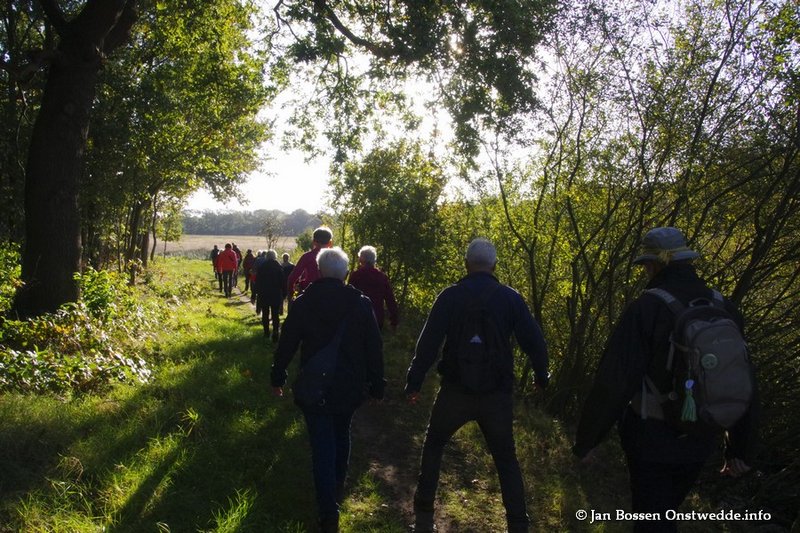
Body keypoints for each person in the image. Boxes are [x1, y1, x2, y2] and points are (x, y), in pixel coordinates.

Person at [573, 227, 758, 532]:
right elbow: (742, 379)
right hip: (702, 436)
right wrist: (740, 448)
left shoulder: (646, 309)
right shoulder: (724, 307)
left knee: (651, 520)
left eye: (646, 265)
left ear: (654, 265)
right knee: (666, 513)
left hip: (652, 439)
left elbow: (615, 381)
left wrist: (588, 440)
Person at [405, 238, 549, 533]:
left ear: (466, 264)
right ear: (494, 266)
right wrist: (541, 375)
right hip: (496, 395)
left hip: (455, 391)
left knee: (434, 444)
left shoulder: (450, 297)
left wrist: (414, 381)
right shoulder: (510, 299)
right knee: (506, 458)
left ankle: (424, 512)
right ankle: (518, 524)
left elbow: (428, 343)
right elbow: (535, 342)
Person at [271, 247, 385, 532]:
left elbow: (287, 343)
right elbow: (374, 347)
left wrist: (278, 376)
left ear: (320, 271)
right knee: (342, 435)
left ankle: (328, 509)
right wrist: (377, 385)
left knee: (322, 445)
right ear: (345, 273)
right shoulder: (361, 303)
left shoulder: (304, 302)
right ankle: (335, 490)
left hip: (315, 386)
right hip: (349, 385)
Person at [348, 245, 399, 331]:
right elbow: (390, 299)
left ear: (361, 259)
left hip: (358, 317)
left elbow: (349, 297)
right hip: (377, 318)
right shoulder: (381, 277)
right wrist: (394, 320)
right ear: (374, 260)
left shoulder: (356, 275)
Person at [286, 226, 333, 302]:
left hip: (309, 294)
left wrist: (291, 294)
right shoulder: (335, 257)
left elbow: (292, 278)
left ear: (314, 241)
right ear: (330, 243)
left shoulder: (307, 257)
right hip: (329, 295)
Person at [255, 250, 285, 341]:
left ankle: (266, 332)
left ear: (267, 257)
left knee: (265, 313)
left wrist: (256, 293)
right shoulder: (278, 267)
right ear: (275, 256)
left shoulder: (262, 267)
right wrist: (283, 294)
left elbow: (258, 281)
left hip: (264, 293)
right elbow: (282, 282)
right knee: (275, 314)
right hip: (275, 294)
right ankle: (275, 332)